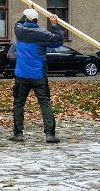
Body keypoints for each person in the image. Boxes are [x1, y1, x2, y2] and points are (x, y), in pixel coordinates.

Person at [11, 9, 64, 144]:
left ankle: (18, 134)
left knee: (18, 104)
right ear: (36, 20)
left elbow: (18, 22)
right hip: (38, 75)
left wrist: (27, 9)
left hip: (21, 75)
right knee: (44, 103)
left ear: (26, 19)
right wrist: (54, 24)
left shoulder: (19, 31)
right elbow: (59, 41)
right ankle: (50, 134)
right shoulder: (43, 34)